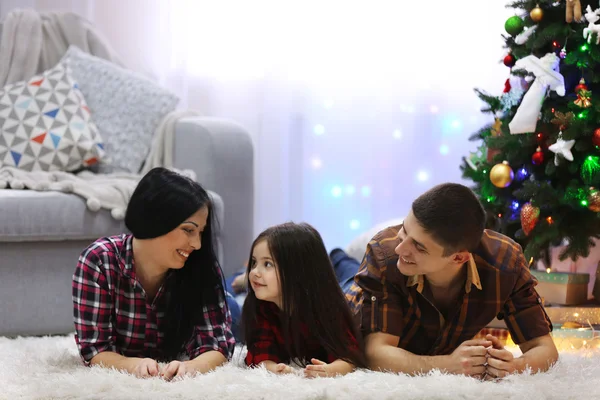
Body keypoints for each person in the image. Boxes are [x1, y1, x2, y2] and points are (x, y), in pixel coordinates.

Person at [343, 183, 558, 378]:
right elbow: (375, 354)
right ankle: (336, 256)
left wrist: (513, 367)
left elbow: (545, 348)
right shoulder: (385, 254)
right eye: (404, 230)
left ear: (459, 258)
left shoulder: (506, 263)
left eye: (418, 246)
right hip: (351, 296)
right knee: (341, 270)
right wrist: (447, 364)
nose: (401, 248)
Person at [72, 167, 236, 380]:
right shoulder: (99, 261)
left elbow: (219, 345)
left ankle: (240, 281)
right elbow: (94, 349)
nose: (197, 244)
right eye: (188, 230)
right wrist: (131, 364)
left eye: (201, 233)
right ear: (156, 220)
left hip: (233, 311)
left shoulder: (201, 266)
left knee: (250, 311)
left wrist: (192, 367)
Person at [242, 222, 367, 377]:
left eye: (267, 264)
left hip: (348, 289)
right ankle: (240, 276)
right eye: (254, 263)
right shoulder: (260, 307)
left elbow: (350, 356)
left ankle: (337, 255)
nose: (254, 272)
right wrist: (272, 368)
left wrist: (331, 370)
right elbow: (259, 353)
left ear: (297, 273)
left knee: (351, 272)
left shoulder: (328, 310)